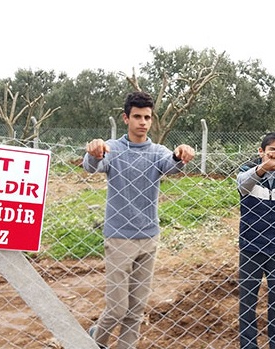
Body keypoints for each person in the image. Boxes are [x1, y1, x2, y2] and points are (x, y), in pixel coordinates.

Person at [83, 91, 195, 349]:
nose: (143, 122)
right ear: (126, 118)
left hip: (149, 237)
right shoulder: (113, 148)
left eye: (147, 117)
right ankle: (92, 341)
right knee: (118, 308)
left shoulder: (157, 152)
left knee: (136, 309)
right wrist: (94, 152)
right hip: (119, 237)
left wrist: (181, 155)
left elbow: (172, 165)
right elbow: (92, 166)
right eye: (137, 116)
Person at [236, 132, 275, 349]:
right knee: (248, 300)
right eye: (272, 150)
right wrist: (262, 168)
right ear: (261, 152)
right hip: (250, 246)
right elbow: (242, 186)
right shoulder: (246, 172)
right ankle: (248, 345)